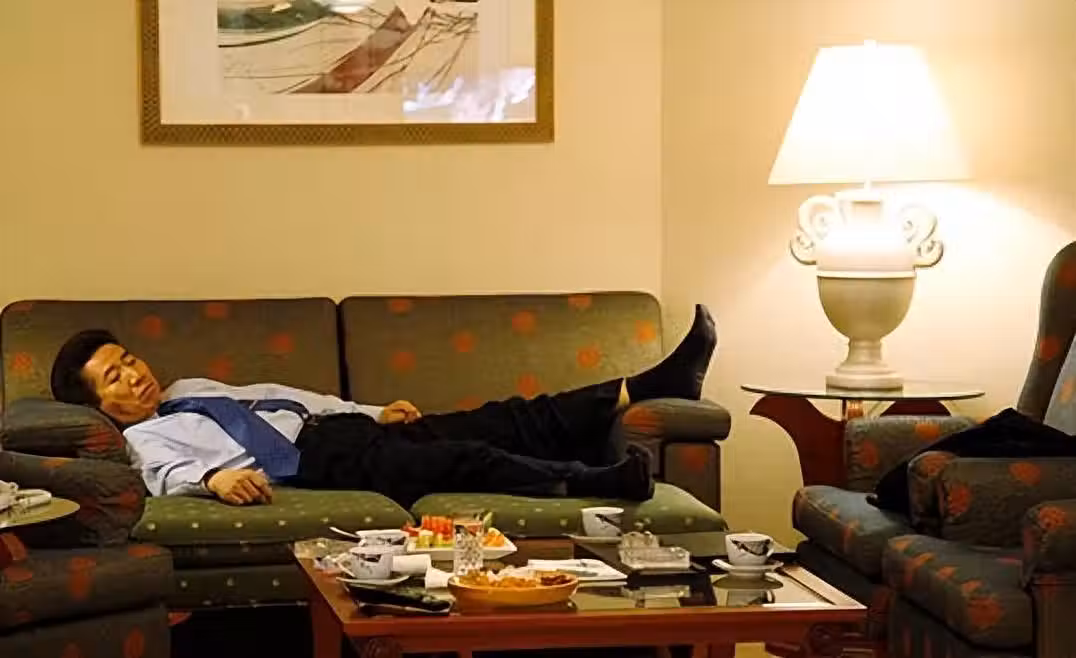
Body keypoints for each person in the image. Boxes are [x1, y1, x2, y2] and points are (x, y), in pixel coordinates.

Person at [49, 305, 717, 508]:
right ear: (98, 405)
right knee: (465, 458)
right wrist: (215, 479)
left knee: (503, 417)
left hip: (339, 430)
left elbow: (289, 398)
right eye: (114, 378)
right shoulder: (142, 441)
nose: (134, 376)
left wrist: (371, 411)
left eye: (129, 359)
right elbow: (164, 478)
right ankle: (598, 482)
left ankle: (647, 386)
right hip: (316, 464)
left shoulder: (188, 388)